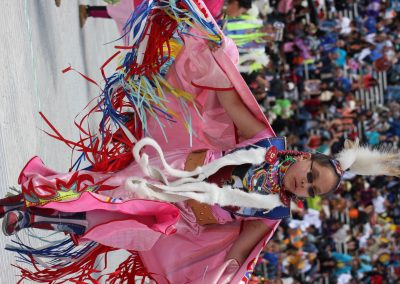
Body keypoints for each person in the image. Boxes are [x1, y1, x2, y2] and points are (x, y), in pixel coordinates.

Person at [1, 0, 398, 283]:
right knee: (105, 195)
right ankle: (31, 201)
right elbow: (228, 96)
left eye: (311, 190)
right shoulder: (264, 142)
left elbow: (238, 252)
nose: (303, 184)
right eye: (310, 175)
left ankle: (31, 215)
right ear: (306, 157)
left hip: (180, 218)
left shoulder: (274, 212)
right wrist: (218, 52)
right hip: (166, 168)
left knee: (117, 222)